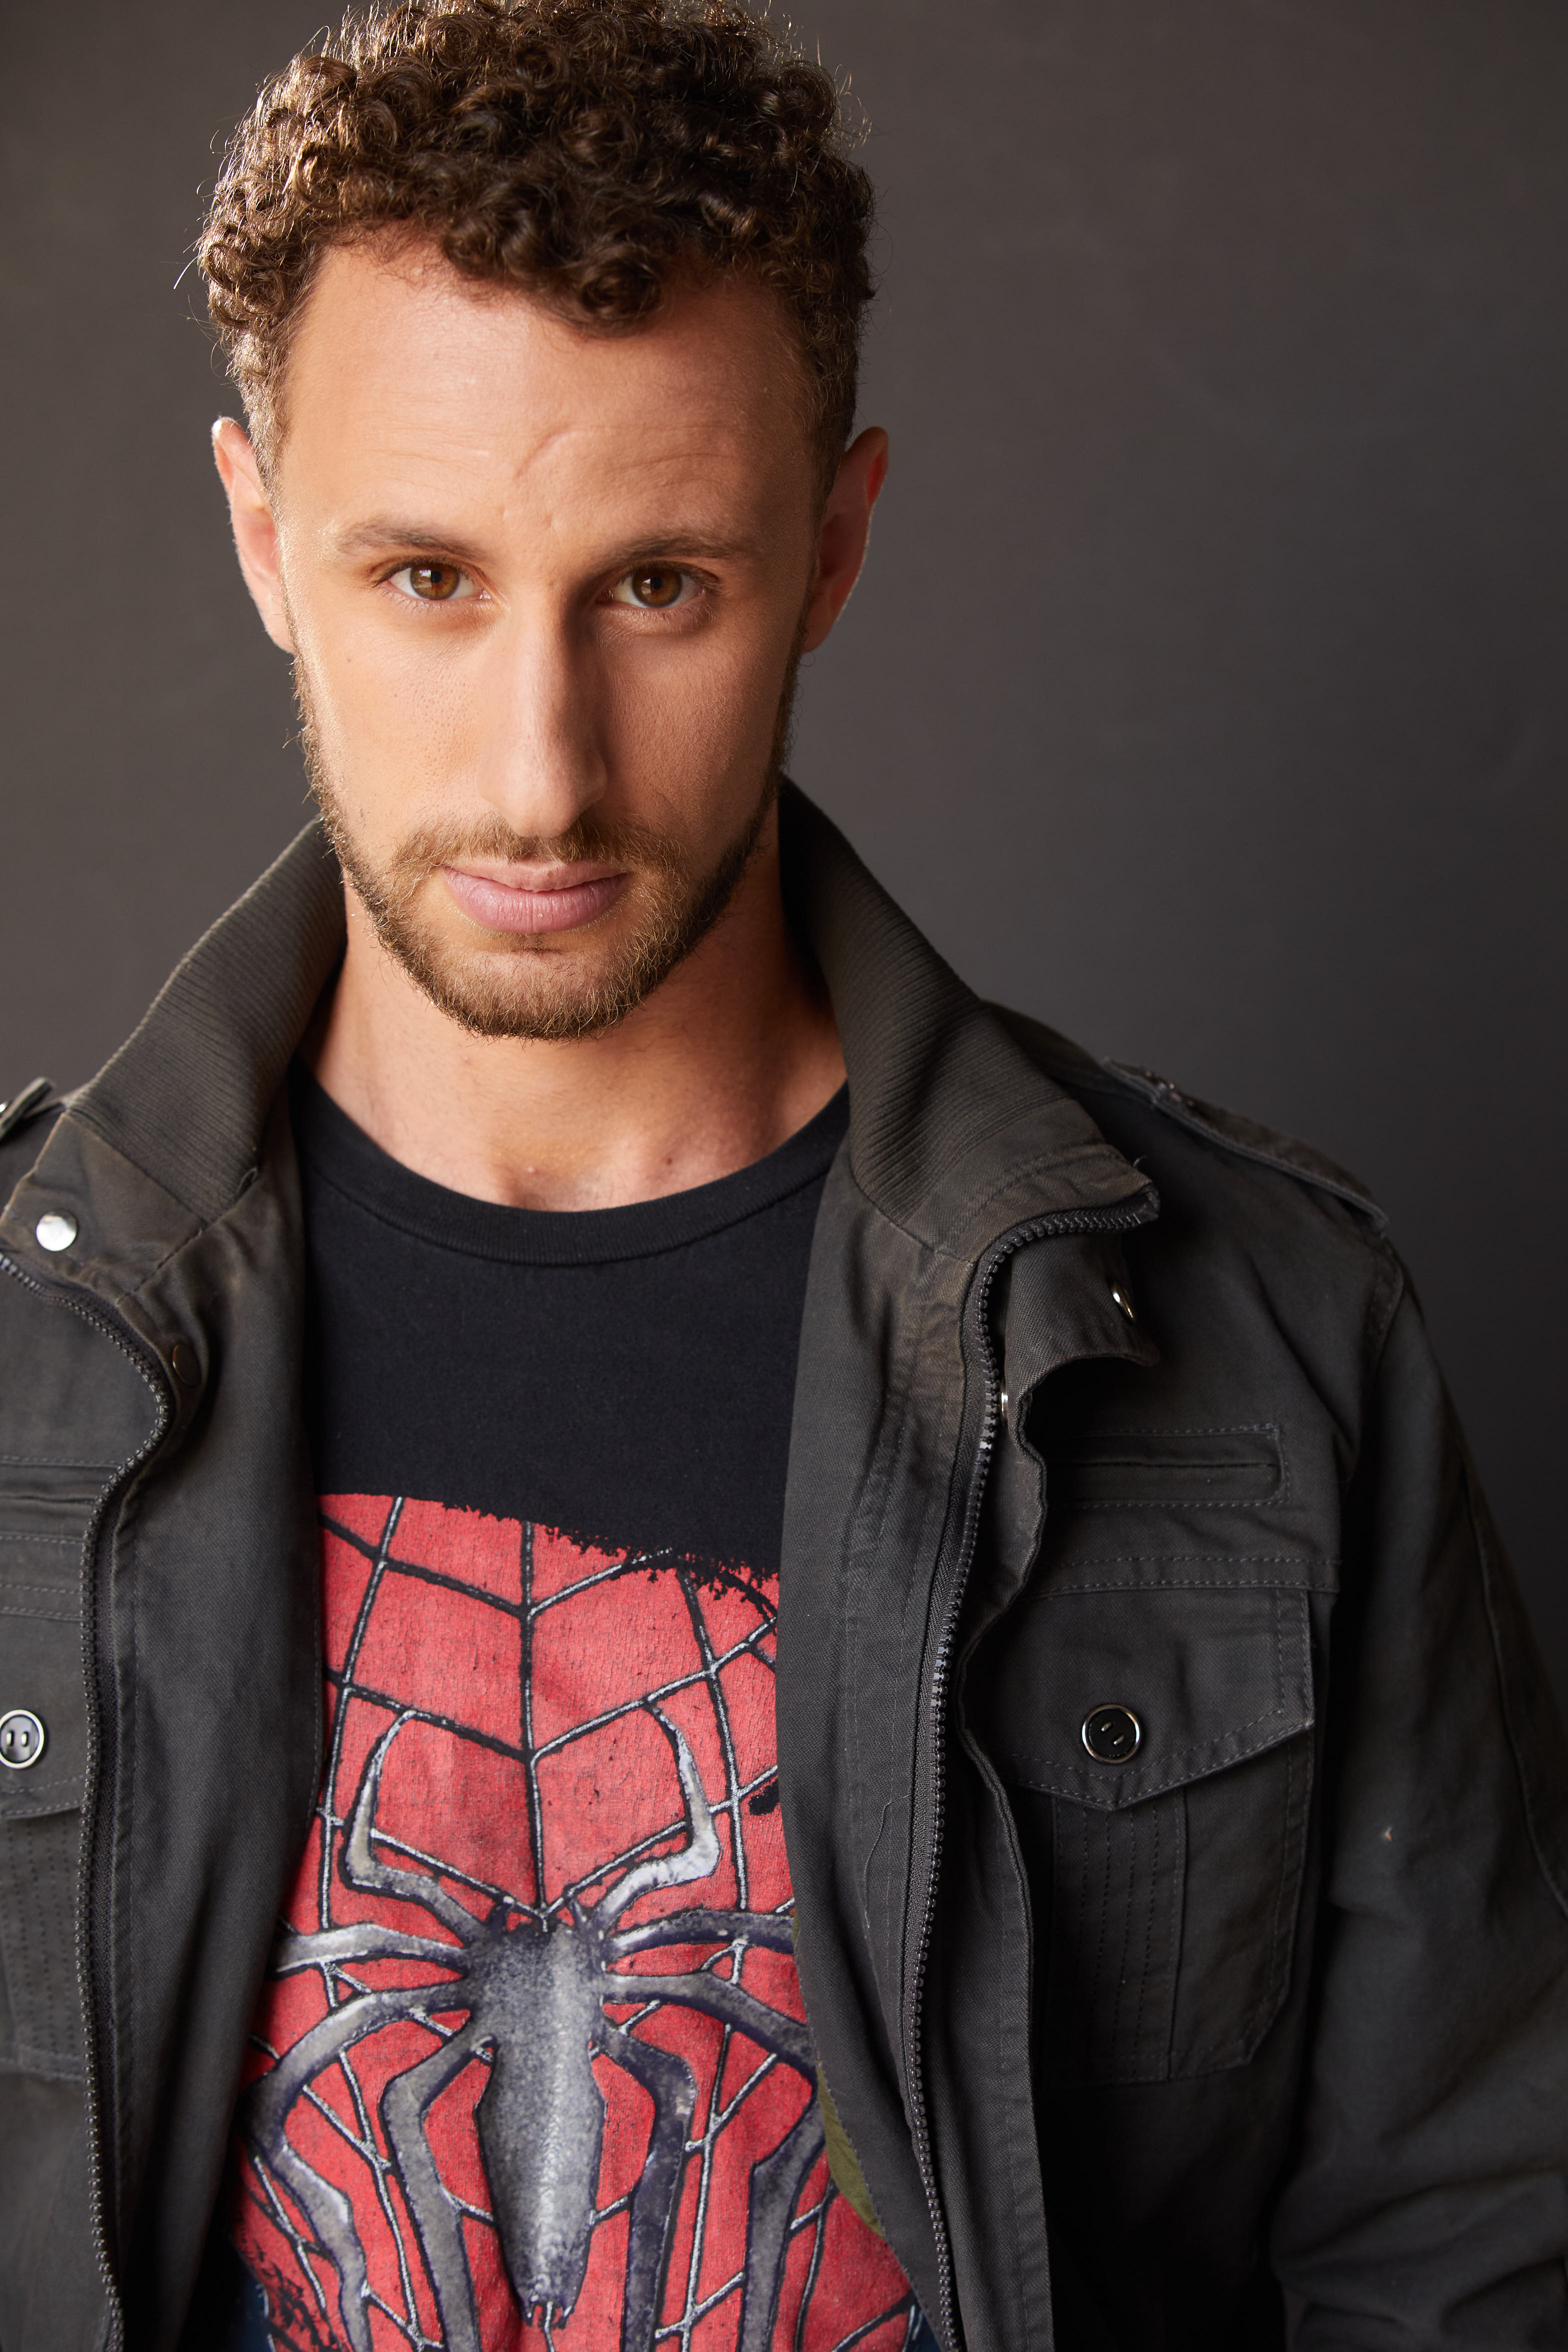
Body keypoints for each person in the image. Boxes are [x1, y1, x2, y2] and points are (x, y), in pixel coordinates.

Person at [0, 0, 1564, 2346]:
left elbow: (1465, 2251)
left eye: (658, 586)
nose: (540, 771)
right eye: (426, 578)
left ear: (832, 545)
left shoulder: (1261, 1341)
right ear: (260, 539)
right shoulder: (20, 1357)